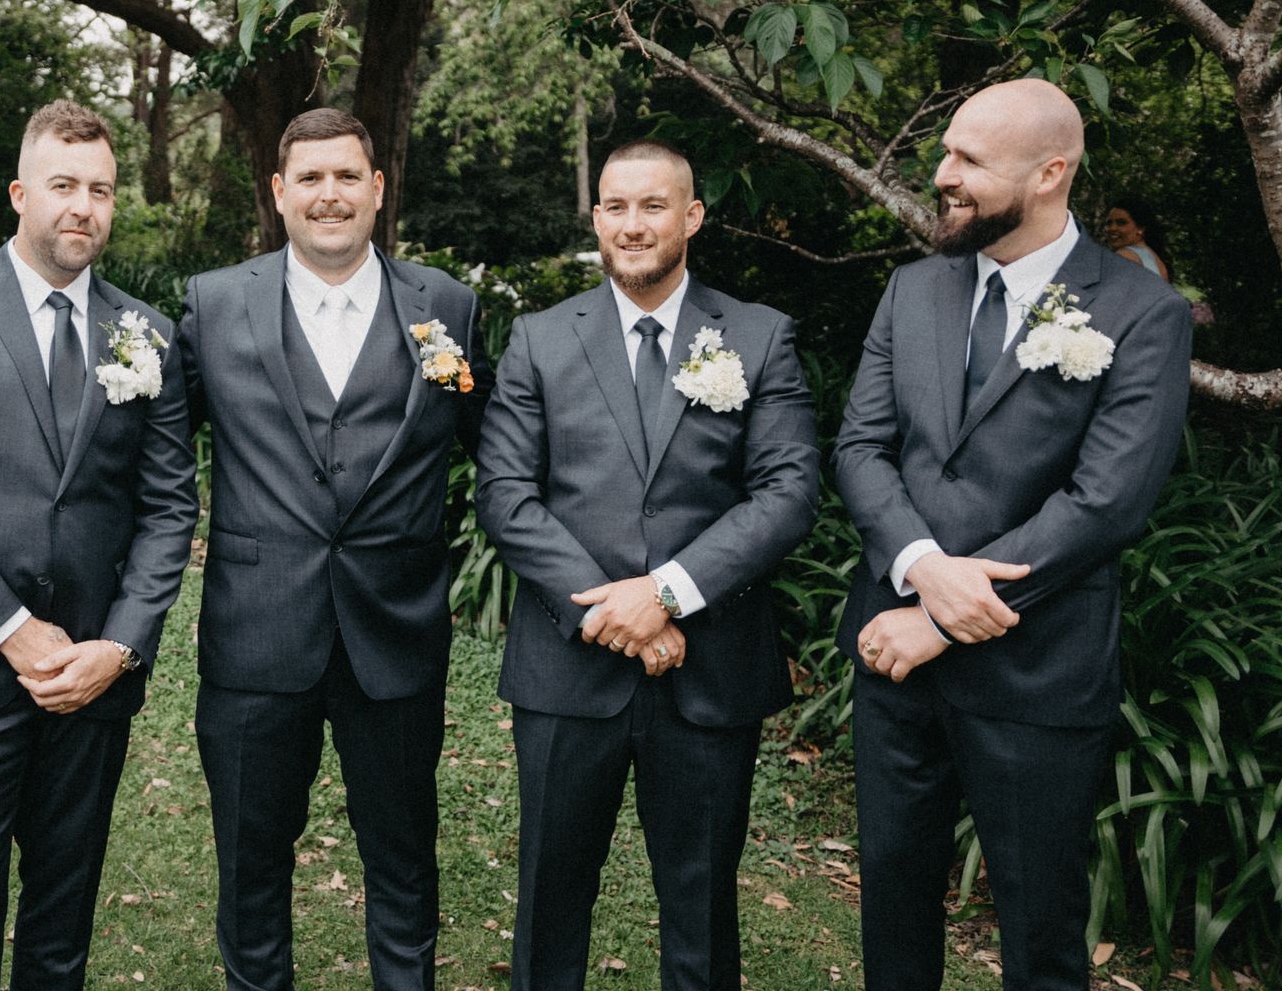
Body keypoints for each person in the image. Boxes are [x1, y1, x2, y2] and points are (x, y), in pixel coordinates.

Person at [835, 79, 1193, 991]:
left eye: (968, 161)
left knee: (1039, 929)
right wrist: (920, 569)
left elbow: (1108, 500)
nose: (943, 175)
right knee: (894, 904)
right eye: (946, 151)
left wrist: (950, 615)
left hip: (1037, 671)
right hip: (893, 661)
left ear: (1050, 173)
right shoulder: (914, 288)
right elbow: (862, 449)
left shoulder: (1141, 311)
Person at [0, 100, 199, 991]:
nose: (82, 208)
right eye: (63, 186)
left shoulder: (148, 334)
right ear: (21, 193)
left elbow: (169, 511)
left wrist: (120, 647)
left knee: (63, 915)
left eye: (100, 190)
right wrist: (13, 628)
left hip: (91, 676)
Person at [475, 143, 819, 991]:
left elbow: (787, 492)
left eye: (654, 206)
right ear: (596, 217)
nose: (633, 225)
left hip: (709, 672)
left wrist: (665, 595)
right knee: (549, 901)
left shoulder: (759, 335)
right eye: (615, 207)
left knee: (701, 905)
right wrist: (611, 615)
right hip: (566, 670)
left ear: (692, 216)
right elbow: (507, 495)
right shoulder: (540, 338)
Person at [177, 107, 491, 991]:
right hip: (254, 636)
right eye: (309, 179)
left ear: (378, 188)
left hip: (394, 637)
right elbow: (152, 464)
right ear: (279, 194)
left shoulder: (448, 306)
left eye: (347, 176)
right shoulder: (213, 303)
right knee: (249, 870)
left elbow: (499, 454)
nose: (329, 195)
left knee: (402, 864)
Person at [1103, 197, 1172, 281]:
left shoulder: (1124, 256)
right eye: (1109, 223)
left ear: (1141, 228)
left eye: (1121, 223)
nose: (1112, 228)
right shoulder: (1157, 261)